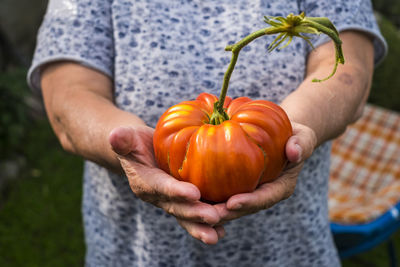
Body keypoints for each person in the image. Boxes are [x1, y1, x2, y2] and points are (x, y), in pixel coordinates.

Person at [28, 0, 386, 266]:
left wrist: (290, 134)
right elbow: (68, 94)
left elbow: (346, 67)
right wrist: (128, 145)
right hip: (137, 253)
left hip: (288, 250)